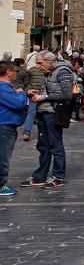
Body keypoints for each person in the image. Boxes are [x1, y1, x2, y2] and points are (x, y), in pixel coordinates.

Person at [21, 51, 74, 189]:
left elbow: (67, 94)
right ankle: (40, 176)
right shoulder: (49, 72)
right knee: (43, 145)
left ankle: (58, 176)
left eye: (40, 63)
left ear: (50, 61)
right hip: (43, 112)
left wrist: (43, 98)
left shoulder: (62, 72)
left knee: (56, 145)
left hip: (53, 113)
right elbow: (50, 91)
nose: (38, 66)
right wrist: (37, 93)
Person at [0, 61, 28, 195]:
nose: (17, 73)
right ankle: (1, 185)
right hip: (4, 126)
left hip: (6, 126)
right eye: (15, 71)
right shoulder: (2, 87)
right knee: (3, 157)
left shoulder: (6, 87)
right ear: (8, 72)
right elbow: (18, 103)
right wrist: (22, 93)